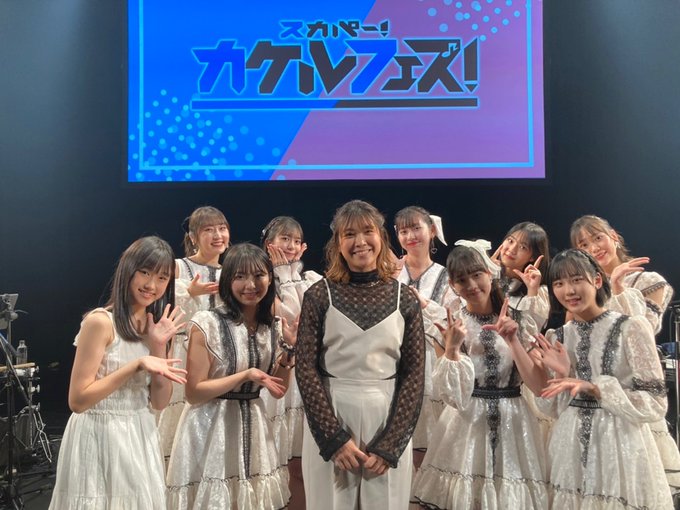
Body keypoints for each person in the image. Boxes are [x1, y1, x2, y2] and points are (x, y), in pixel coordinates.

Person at [296, 199, 425, 510]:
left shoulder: (405, 298)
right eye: (349, 234)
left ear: (381, 237)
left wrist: (392, 443)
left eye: (368, 231)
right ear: (337, 243)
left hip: (387, 416)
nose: (360, 242)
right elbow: (305, 368)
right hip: (332, 413)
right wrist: (333, 439)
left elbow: (413, 373)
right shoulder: (318, 295)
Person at [49, 236, 187, 509]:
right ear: (128, 270)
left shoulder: (158, 329)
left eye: (162, 278)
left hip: (140, 433)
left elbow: (160, 403)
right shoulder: (100, 322)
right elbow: (78, 400)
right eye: (145, 272)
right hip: (97, 433)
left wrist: (158, 347)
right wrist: (136, 365)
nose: (152, 285)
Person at [412, 243, 549, 510]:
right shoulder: (449, 326)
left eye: (476, 275)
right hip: (465, 425)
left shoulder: (521, 320)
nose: (472, 285)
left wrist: (514, 341)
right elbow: (452, 397)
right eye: (462, 280)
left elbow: (539, 386)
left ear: (489, 273)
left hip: (513, 421)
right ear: (452, 285)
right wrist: (452, 349)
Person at [534, 249, 673, 508]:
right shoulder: (558, 337)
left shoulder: (632, 327)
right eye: (559, 283)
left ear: (597, 280)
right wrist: (562, 374)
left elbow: (656, 403)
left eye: (577, 280)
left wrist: (596, 388)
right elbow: (552, 409)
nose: (569, 291)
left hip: (620, 448)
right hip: (569, 447)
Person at [166, 243, 295, 509]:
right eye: (240, 276)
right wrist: (244, 375)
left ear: (270, 279)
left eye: (258, 275)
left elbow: (279, 390)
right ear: (227, 280)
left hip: (254, 427)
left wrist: (290, 352)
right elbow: (194, 392)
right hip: (209, 428)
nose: (250, 284)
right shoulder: (206, 322)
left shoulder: (273, 326)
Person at [570, 214, 679, 495]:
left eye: (598, 238)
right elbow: (573, 337)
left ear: (614, 237)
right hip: (591, 398)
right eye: (584, 245)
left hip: (631, 394)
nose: (594, 248)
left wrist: (618, 288)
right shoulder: (582, 288)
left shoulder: (649, 281)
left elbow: (646, 331)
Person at [157, 205, 231, 464]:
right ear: (193, 237)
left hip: (221, 355)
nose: (217, 235)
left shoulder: (230, 271)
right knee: (179, 424)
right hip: (184, 352)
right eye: (209, 230)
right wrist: (189, 292)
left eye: (222, 228)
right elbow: (157, 301)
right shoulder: (179, 267)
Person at [260, 216, 322, 510]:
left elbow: (307, 316)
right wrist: (283, 274)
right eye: (285, 239)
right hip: (276, 369)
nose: (291, 245)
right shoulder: (259, 280)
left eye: (297, 240)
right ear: (268, 244)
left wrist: (289, 274)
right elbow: (289, 317)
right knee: (276, 462)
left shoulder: (312, 279)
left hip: (308, 376)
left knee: (303, 465)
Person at [392, 206, 453, 464]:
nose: (410, 236)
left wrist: (425, 307)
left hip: (432, 362)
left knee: (431, 449)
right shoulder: (390, 273)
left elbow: (452, 322)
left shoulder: (447, 276)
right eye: (403, 231)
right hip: (393, 362)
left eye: (416, 228)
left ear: (432, 230)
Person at [492, 221, 551, 330]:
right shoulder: (485, 274)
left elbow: (531, 332)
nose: (512, 249)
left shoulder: (539, 293)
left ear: (532, 257)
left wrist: (532, 290)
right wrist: (484, 276)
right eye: (510, 241)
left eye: (523, 247)